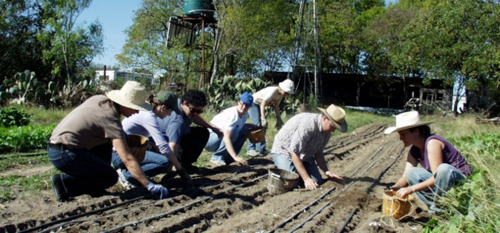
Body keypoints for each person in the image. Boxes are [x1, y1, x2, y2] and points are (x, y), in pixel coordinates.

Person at [47, 81, 168, 202]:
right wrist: (149, 185)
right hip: (64, 155)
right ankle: (65, 183)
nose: (137, 112)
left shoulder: (100, 100)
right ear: (125, 104)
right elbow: (127, 159)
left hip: (57, 146)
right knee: (110, 177)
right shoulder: (110, 119)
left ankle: (95, 188)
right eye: (136, 108)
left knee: (106, 145)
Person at [384, 111, 473, 213]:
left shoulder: (432, 143)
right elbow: (405, 177)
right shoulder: (414, 151)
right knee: (411, 173)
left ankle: (440, 207)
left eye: (403, 134)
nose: (401, 138)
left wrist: (411, 189)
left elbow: (437, 177)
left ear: (416, 131)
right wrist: (393, 190)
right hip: (444, 186)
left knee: (443, 169)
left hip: (462, 183)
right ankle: (440, 207)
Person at [111, 90, 193, 190]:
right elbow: (164, 147)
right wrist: (180, 170)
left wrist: (153, 147)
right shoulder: (148, 116)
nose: (170, 114)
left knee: (163, 149)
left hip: (127, 150)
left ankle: (131, 171)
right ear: (163, 107)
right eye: (170, 111)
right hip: (120, 155)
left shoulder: (147, 111)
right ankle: (127, 175)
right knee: (164, 162)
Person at [271, 104, 347, 190]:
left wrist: (326, 171)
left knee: (317, 181)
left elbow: (318, 152)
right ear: (325, 118)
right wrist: (306, 178)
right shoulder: (308, 126)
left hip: (304, 154)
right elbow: (294, 153)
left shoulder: (327, 132)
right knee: (293, 182)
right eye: (333, 126)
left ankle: (300, 170)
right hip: (284, 150)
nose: (333, 130)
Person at [156, 90, 222, 173]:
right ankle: (180, 165)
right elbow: (171, 148)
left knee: (202, 133)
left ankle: (186, 164)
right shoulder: (177, 122)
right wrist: (175, 168)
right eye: (193, 110)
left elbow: (195, 117)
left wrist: (212, 127)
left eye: (199, 111)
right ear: (185, 103)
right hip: (164, 142)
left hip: (179, 135)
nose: (195, 113)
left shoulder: (180, 103)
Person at [205, 93, 256, 167]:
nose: (244, 107)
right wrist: (235, 156)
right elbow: (226, 138)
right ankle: (217, 157)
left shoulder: (245, 114)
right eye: (243, 104)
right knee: (234, 132)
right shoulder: (232, 115)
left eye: (247, 105)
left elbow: (239, 125)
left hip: (219, 137)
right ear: (238, 102)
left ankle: (229, 158)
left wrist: (249, 125)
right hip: (209, 140)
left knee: (245, 130)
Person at [247, 79, 295, 157]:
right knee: (256, 125)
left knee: (264, 126)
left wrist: (278, 118)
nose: (286, 94)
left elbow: (276, 106)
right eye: (286, 92)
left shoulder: (280, 95)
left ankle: (261, 149)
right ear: (281, 88)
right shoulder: (273, 91)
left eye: (288, 93)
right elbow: (262, 104)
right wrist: (263, 118)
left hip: (260, 105)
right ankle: (250, 149)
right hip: (254, 104)